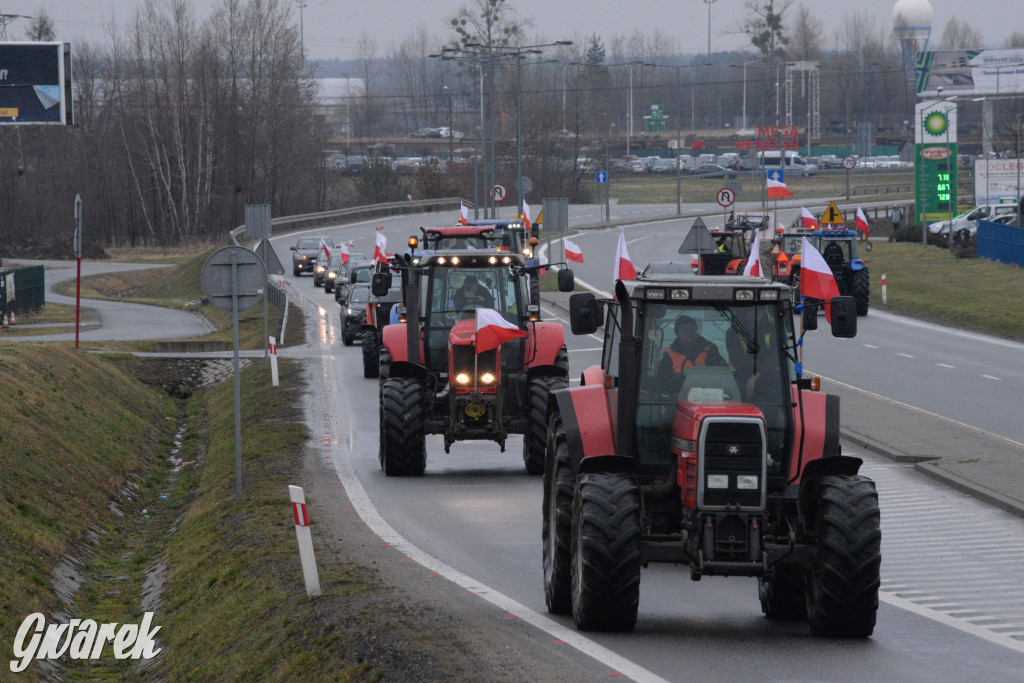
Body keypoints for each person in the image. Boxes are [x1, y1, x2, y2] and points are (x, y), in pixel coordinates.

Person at [657, 315, 725, 394]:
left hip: (706, 397)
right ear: (677, 333)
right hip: (677, 399)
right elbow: (662, 381)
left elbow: (719, 376)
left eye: (692, 329)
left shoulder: (710, 350)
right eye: (685, 330)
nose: (689, 333)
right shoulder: (669, 355)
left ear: (696, 331)